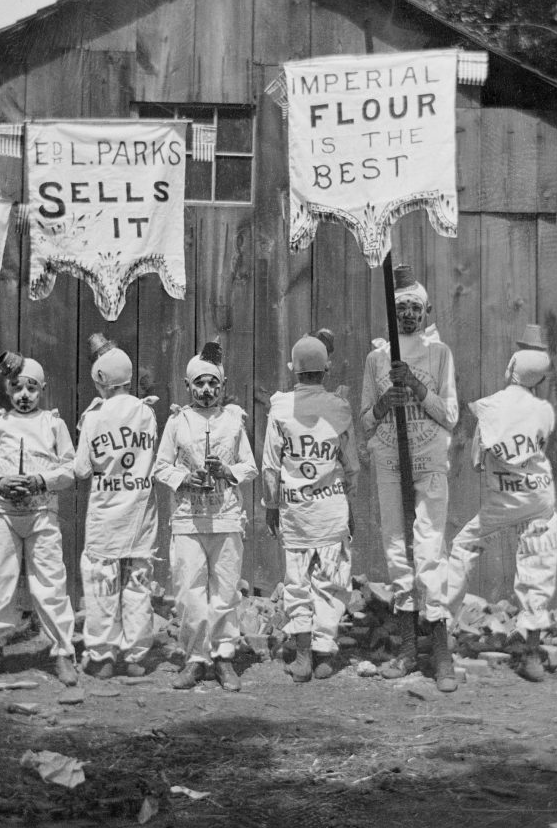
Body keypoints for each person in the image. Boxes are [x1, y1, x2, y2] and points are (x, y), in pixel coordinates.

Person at [360, 265, 459, 692]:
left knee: (429, 546)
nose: (408, 316)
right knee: (396, 547)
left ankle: (439, 649)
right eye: (401, 309)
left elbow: (451, 416)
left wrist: (417, 388)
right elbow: (366, 421)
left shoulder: (440, 355)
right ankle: (406, 647)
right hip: (389, 460)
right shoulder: (377, 358)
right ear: (392, 313)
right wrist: (386, 400)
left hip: (428, 459)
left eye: (415, 308)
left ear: (427, 311)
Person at [444, 344, 557, 682]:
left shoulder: (490, 407)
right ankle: (533, 651)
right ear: (538, 380)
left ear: (511, 369)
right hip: (539, 496)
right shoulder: (544, 410)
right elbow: (542, 445)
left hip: (503, 499)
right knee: (537, 566)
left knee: (464, 545)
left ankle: (443, 628)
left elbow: (478, 462)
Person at [0, 353, 79, 686]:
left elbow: (69, 468)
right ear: (8, 390)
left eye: (32, 388)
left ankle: (62, 652)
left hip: (42, 514)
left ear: (42, 389)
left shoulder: (53, 425)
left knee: (50, 584)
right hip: (3, 516)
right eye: (17, 388)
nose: (24, 395)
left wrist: (40, 481)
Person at [154, 342, 258, 692]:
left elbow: (250, 466)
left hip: (226, 517)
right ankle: (196, 658)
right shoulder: (177, 421)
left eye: (213, 384)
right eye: (199, 384)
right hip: (188, 519)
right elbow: (160, 466)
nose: (206, 391)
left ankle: (224, 657)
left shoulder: (233, 421)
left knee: (225, 590)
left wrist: (226, 470)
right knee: (189, 592)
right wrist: (186, 477)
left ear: (223, 385)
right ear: (188, 386)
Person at [261, 330, 359, 682]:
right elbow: (350, 465)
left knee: (297, 581)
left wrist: (271, 505)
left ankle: (302, 654)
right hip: (331, 509)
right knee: (330, 582)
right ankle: (323, 654)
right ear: (325, 370)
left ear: (294, 370)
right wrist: (351, 506)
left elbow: (271, 465)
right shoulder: (338, 407)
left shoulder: (281, 408)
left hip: (296, 511)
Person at [73, 340, 159, 679]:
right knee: (138, 584)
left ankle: (103, 656)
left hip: (105, 515)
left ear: (99, 381)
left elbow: (81, 469)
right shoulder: (147, 413)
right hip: (139, 514)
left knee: (101, 587)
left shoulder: (94, 417)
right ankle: (136, 656)